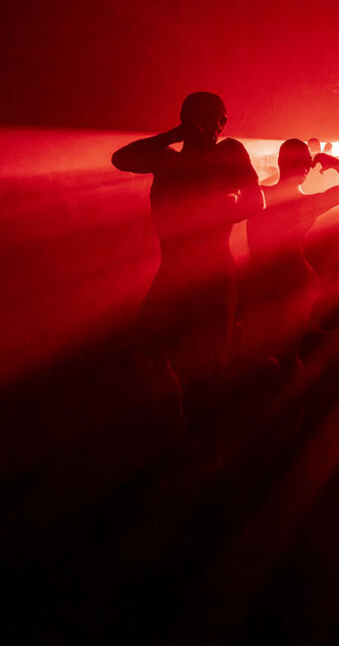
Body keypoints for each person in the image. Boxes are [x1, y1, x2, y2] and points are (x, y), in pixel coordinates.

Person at [111, 92, 263, 457]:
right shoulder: (166, 159)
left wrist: (218, 214)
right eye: (203, 117)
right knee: (149, 356)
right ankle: (181, 439)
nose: (214, 125)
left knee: (209, 364)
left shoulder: (229, 152)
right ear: (184, 119)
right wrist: (172, 135)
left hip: (212, 271)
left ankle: (211, 447)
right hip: (174, 271)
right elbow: (121, 158)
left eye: (217, 118)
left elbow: (255, 200)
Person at [247, 140, 339, 381]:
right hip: (292, 279)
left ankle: (287, 408)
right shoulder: (307, 203)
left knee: (268, 355)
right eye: (304, 161)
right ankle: (292, 408)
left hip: (279, 282)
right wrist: (335, 163)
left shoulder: (260, 196)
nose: (306, 166)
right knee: (285, 355)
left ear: (280, 161)